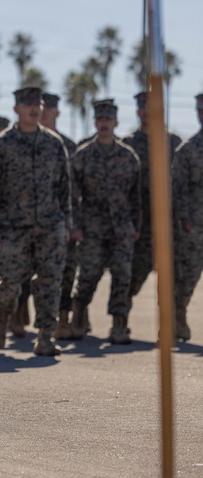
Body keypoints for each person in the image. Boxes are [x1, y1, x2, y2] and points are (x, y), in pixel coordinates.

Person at [0, 87, 71, 356]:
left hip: (50, 225)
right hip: (12, 226)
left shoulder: (53, 144)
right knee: (9, 282)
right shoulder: (2, 145)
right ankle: (2, 316)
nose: (34, 108)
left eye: (38, 104)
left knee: (50, 281)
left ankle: (45, 336)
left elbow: (65, 187)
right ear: (16, 109)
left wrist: (67, 223)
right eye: (28, 104)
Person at [69, 99, 140, 344]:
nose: (104, 124)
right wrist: (75, 226)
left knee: (122, 275)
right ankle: (79, 314)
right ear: (95, 122)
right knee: (89, 275)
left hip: (121, 228)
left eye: (108, 120)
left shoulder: (128, 157)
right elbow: (72, 195)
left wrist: (135, 227)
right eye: (100, 120)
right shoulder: (83, 156)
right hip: (91, 228)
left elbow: (135, 196)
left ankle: (119, 325)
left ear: (116, 123)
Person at [123, 91, 183, 312]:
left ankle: (175, 318)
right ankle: (124, 308)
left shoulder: (173, 142)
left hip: (168, 216)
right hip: (139, 217)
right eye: (142, 108)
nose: (147, 113)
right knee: (139, 266)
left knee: (174, 270)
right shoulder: (129, 143)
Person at [40, 93, 80, 340]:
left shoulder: (68, 146)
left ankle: (63, 316)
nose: (45, 113)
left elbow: (75, 189)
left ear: (58, 112)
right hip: (29, 221)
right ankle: (20, 314)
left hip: (61, 219)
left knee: (66, 270)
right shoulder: (23, 142)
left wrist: (74, 223)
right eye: (42, 108)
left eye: (50, 109)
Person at [173, 93, 203, 340]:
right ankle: (178, 316)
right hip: (195, 224)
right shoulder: (188, 150)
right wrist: (184, 218)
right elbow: (178, 188)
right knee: (189, 274)